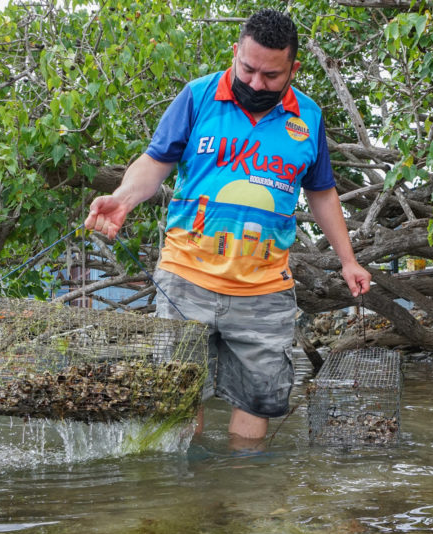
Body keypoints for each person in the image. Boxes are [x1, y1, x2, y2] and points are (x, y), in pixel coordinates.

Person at [85, 8, 371, 445]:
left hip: (264, 290)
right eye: (248, 68)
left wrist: (348, 261)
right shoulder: (197, 97)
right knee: (178, 405)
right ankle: (185, 505)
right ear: (235, 52)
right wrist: (122, 199)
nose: (256, 83)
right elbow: (154, 163)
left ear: (294, 68)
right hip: (185, 279)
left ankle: (241, 499)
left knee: (258, 406)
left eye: (271, 76)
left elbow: (322, 192)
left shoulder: (308, 118)